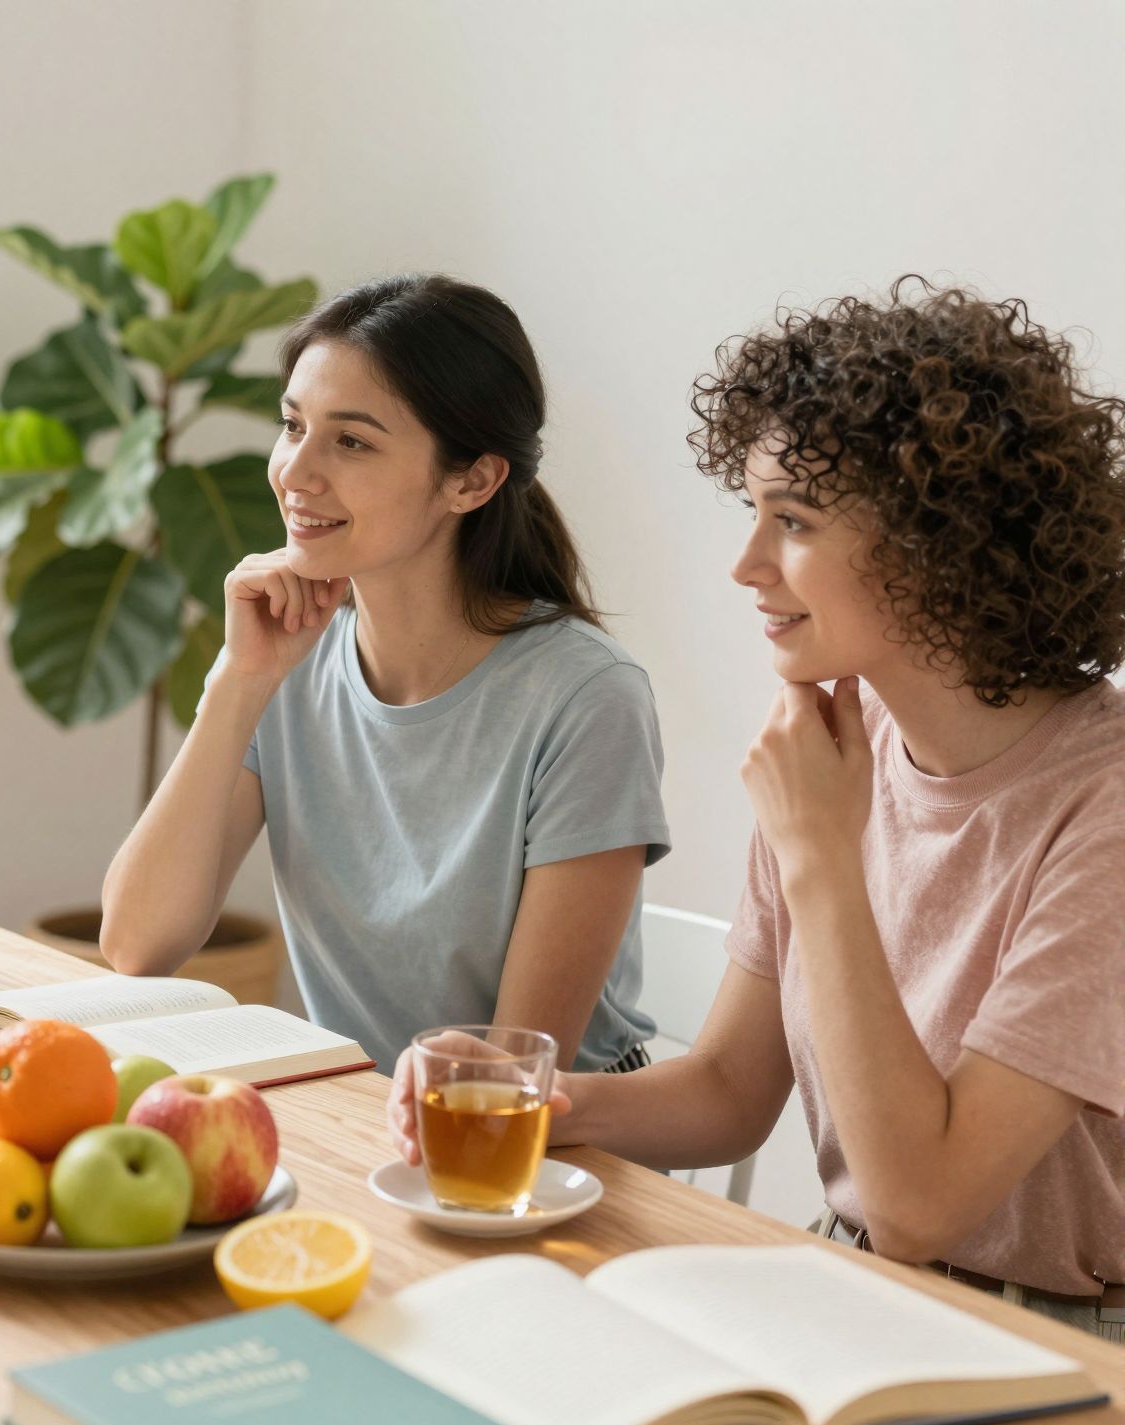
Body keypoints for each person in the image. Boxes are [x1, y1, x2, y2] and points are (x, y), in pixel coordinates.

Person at [505, 279, 1125, 1338]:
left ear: (940, 543)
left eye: (789, 521)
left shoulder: (1097, 806)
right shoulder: (839, 748)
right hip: (852, 1291)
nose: (744, 565)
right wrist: (528, 1108)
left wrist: (817, 856)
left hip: (1060, 1345)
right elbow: (729, 1092)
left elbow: (915, 1205)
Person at [102, 274, 671, 1094]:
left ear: (471, 481)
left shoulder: (586, 699)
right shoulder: (288, 665)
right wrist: (239, 681)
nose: (296, 473)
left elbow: (509, 1072)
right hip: (369, 1115)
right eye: (292, 426)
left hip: (547, 1149)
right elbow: (136, 943)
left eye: (352, 442)